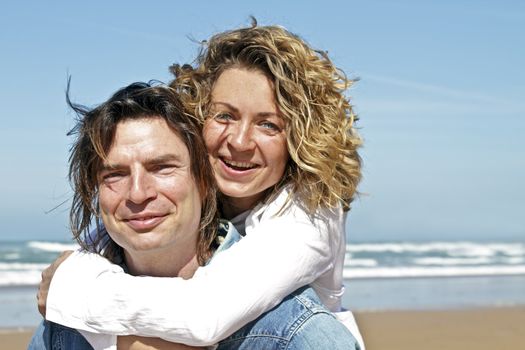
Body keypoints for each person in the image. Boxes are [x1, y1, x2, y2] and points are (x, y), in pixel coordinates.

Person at [38, 22, 365, 349]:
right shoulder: (191, 180)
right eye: (225, 116)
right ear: (198, 116)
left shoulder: (310, 215)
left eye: (268, 124)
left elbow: (206, 314)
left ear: (300, 140)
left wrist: (74, 288)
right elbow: (117, 230)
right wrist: (80, 266)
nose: (239, 141)